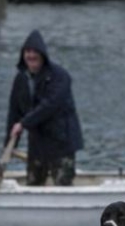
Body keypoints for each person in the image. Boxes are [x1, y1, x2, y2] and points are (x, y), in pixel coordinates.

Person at [6, 30, 83, 186]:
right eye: (27, 52)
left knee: (63, 185)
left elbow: (49, 105)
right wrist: (8, 146)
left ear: (43, 55)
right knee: (33, 184)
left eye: (35, 52)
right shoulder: (21, 80)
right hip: (37, 144)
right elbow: (14, 114)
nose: (31, 56)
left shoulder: (60, 77)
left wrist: (23, 124)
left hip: (62, 142)